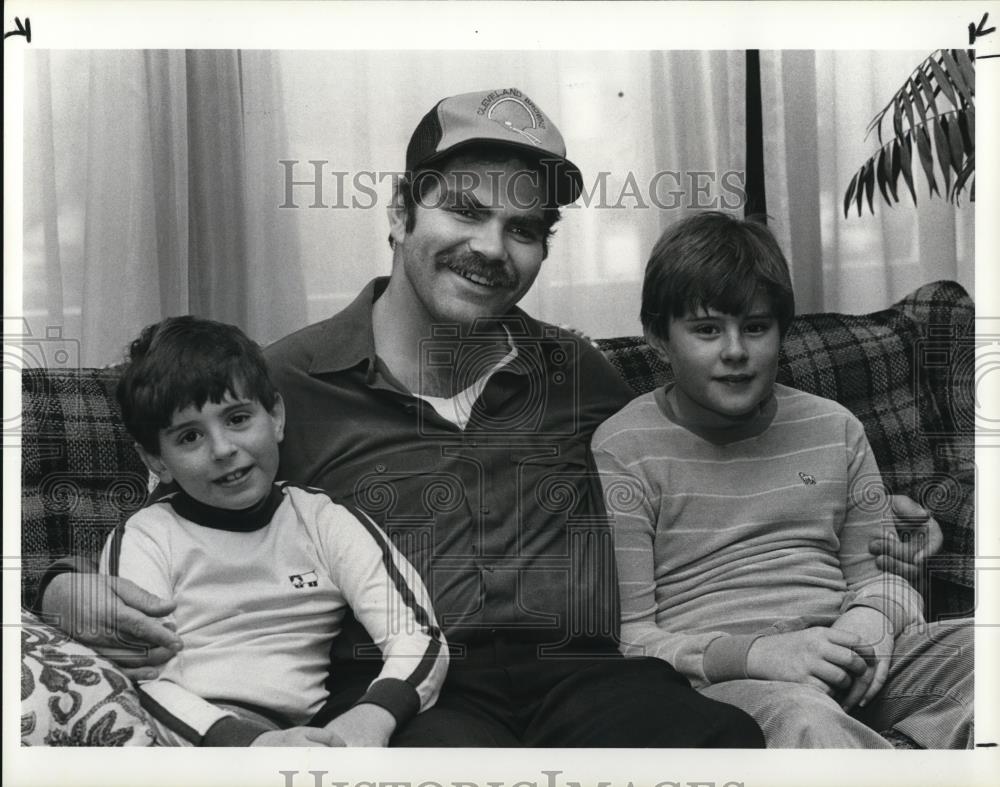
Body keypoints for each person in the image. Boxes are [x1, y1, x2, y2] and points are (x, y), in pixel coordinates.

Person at [38, 87, 942, 747]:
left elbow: (705, 436)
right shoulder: (283, 384)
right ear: (398, 210)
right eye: (464, 209)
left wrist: (870, 520)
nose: (491, 248)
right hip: (408, 694)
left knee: (717, 749)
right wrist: (58, 588)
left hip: (588, 676)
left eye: (524, 227)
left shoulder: (578, 371)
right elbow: (175, 509)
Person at [591, 211, 973, 748]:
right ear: (658, 337)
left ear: (780, 332)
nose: (735, 352)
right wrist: (758, 655)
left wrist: (872, 619)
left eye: (755, 327)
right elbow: (631, 641)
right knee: (806, 719)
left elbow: (880, 575)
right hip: (731, 679)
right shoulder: (622, 450)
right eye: (706, 329)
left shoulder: (834, 426)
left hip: (849, 652)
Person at [98, 315, 447, 746]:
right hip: (181, 735)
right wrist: (243, 743)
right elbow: (140, 675)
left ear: (276, 416)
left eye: (238, 418)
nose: (224, 449)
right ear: (156, 461)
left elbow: (416, 636)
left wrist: (373, 716)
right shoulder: (146, 536)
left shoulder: (323, 520)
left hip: (296, 734)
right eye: (189, 437)